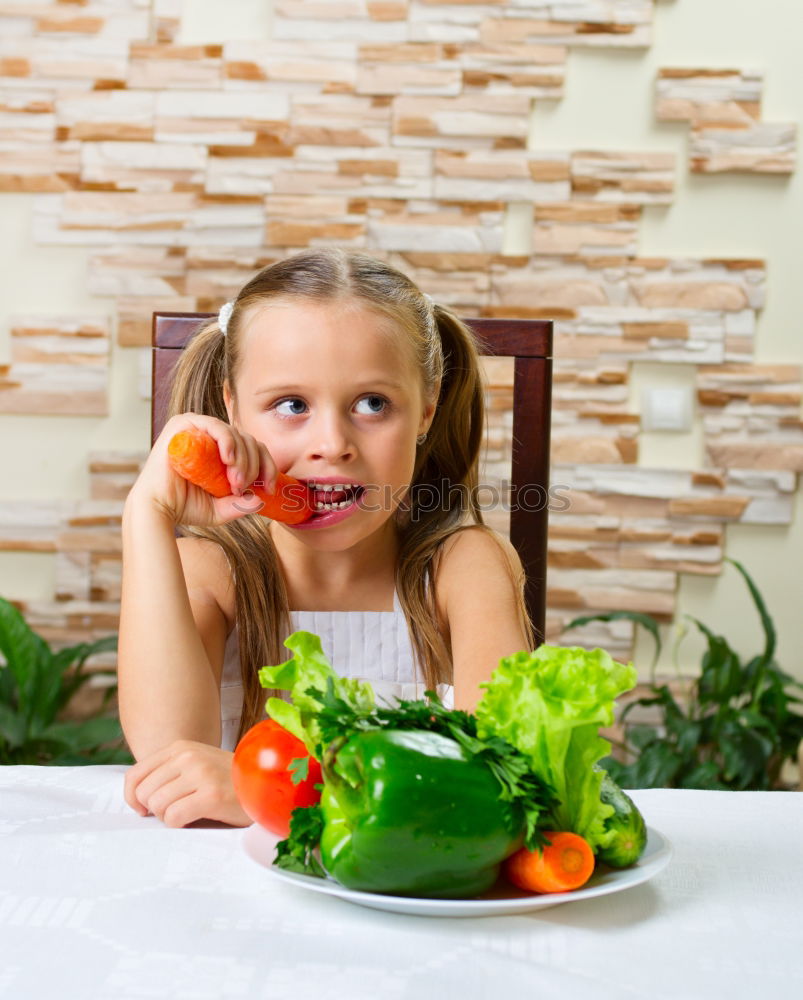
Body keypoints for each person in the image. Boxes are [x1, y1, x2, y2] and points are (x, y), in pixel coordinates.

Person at [119, 248, 534, 828]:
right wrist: (147, 512)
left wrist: (273, 793)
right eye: (291, 405)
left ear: (426, 412)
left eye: (373, 404)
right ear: (232, 409)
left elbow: (498, 774)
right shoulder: (211, 572)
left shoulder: (464, 568)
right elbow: (169, 762)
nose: (332, 443)